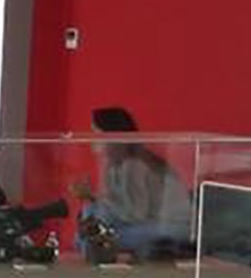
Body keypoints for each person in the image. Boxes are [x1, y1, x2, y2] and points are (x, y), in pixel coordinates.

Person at [71, 109, 194, 256]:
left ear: (113, 136)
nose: (91, 139)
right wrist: (92, 202)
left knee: (109, 236)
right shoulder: (112, 165)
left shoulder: (135, 164)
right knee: (90, 217)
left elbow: (136, 215)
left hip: (169, 227)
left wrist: (96, 202)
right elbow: (114, 205)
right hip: (145, 223)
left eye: (96, 133)